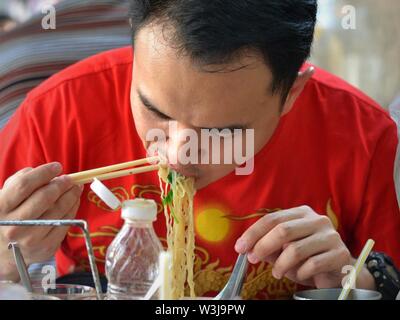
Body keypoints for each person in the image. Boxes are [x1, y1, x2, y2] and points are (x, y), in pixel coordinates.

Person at [0, 0, 399, 300]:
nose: (176, 155)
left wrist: (352, 280)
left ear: (292, 93)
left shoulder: (363, 136)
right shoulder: (56, 113)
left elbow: (386, 274)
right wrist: (5, 261)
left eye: (221, 131)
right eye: (155, 110)